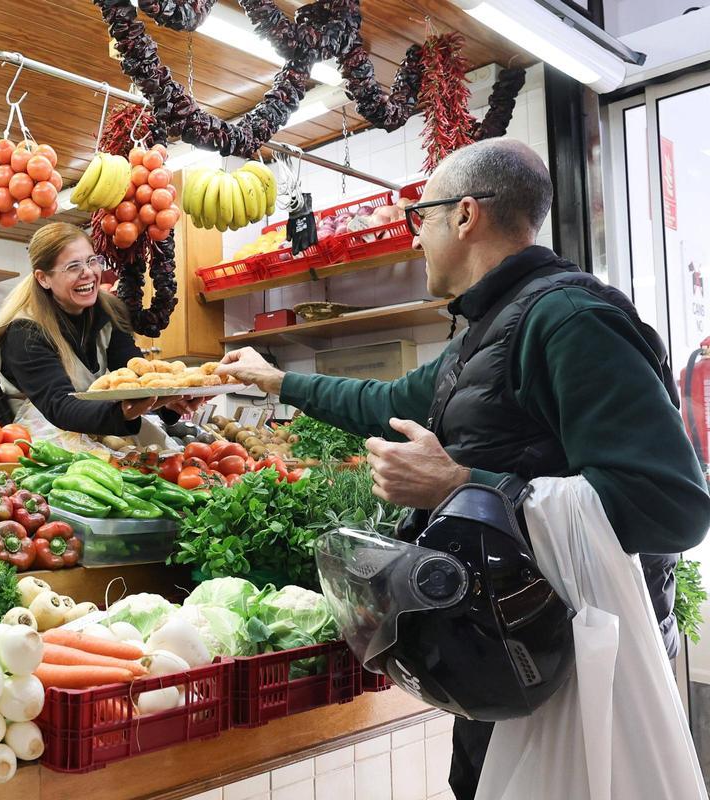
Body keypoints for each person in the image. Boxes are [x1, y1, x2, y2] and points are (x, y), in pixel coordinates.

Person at [217, 138, 710, 800]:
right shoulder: (486, 333)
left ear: (465, 215)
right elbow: (386, 402)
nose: (415, 235)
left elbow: (671, 506)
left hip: (581, 669)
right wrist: (276, 381)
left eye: (419, 215)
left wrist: (456, 485)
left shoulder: (569, 320)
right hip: (509, 659)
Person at [0, 222, 198, 441]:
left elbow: (135, 373)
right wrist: (123, 413)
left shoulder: (109, 311)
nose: (88, 273)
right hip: (38, 434)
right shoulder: (25, 331)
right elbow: (58, 405)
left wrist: (171, 401)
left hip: (91, 419)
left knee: (159, 449)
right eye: (73, 267)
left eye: (92, 261)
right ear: (43, 278)